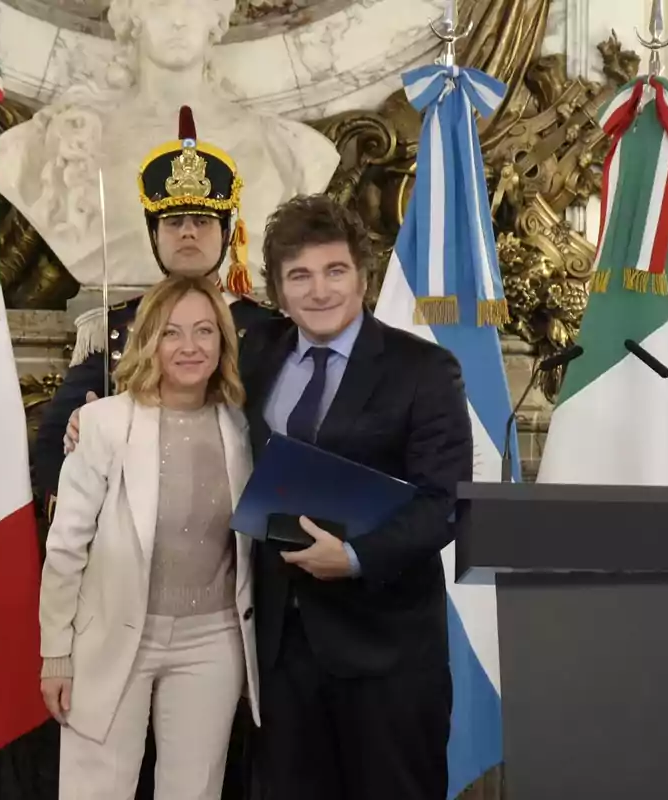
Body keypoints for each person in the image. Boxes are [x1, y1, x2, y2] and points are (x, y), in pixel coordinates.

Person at [65, 194, 473, 798]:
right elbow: (181, 404)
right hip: (274, 648)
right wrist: (98, 417)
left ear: (363, 275)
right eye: (299, 276)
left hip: (385, 650)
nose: (319, 290)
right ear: (278, 290)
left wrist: (356, 557)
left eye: (335, 271)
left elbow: (444, 501)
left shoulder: (426, 369)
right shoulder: (254, 354)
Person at [38, 275, 260, 800]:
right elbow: (65, 548)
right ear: (148, 341)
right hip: (112, 635)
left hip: (213, 639)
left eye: (204, 331)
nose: (189, 347)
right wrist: (56, 655)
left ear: (223, 342)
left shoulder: (245, 428)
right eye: (171, 332)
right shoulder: (101, 424)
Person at [33, 104, 277, 520]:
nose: (186, 231)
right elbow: (53, 445)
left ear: (227, 233)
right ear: (154, 235)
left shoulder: (270, 331)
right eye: (173, 221)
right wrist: (79, 442)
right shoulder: (112, 328)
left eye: (201, 220)